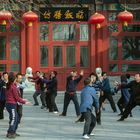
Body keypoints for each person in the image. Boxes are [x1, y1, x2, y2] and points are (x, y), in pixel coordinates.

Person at [5, 74, 30, 138]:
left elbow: (15, 97)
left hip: (10, 104)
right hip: (11, 105)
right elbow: (17, 98)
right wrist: (25, 102)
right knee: (14, 119)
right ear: (14, 79)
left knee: (15, 118)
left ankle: (12, 131)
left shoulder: (10, 85)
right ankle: (11, 133)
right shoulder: (12, 87)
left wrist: (23, 99)